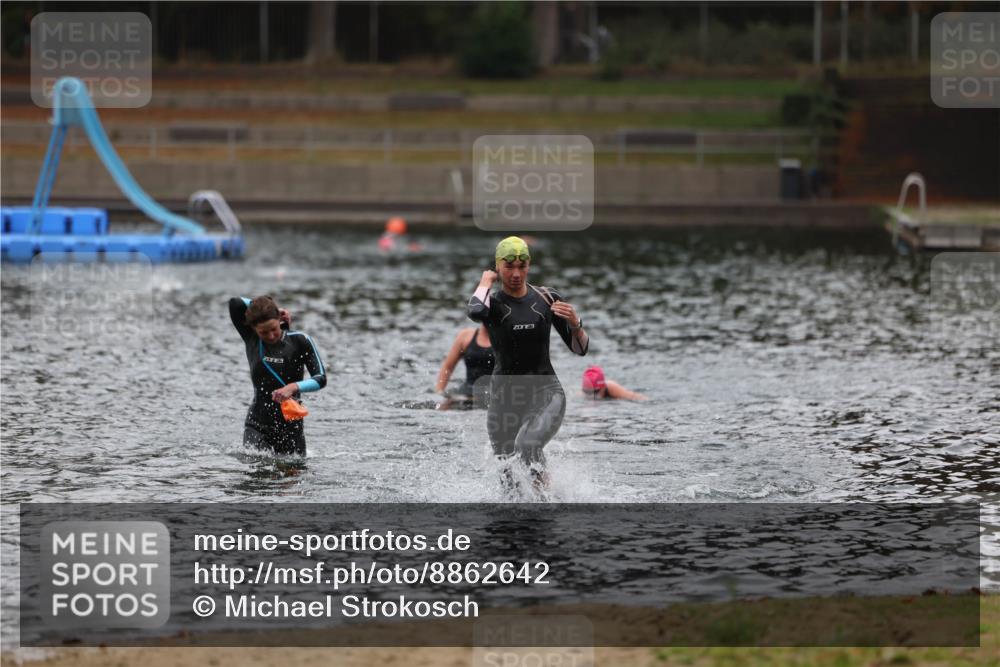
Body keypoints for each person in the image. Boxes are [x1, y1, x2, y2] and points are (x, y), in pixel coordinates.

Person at [467, 236, 589, 487]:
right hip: (504, 396)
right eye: (509, 266)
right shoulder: (492, 303)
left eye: (522, 266)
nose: (515, 273)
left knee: (529, 445)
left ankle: (549, 505)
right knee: (506, 474)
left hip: (546, 391)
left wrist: (576, 325)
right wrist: (485, 282)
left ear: (529, 265)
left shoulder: (547, 298)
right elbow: (475, 312)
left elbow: (580, 349)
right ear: (498, 266)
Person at [229, 295, 327, 455]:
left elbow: (321, 378)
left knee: (292, 476)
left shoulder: (300, 341)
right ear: (254, 329)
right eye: (264, 332)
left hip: (291, 426)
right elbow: (235, 302)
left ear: (278, 321)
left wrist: (293, 387)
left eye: (274, 329)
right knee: (257, 473)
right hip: (257, 425)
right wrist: (269, 308)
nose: (271, 336)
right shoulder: (251, 338)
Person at [434, 324, 495, 409]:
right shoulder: (465, 336)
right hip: (467, 391)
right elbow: (448, 366)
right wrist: (439, 392)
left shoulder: (508, 338)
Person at [582, 365, 648, 401]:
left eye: (595, 392)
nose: (591, 396)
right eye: (587, 392)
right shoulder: (585, 392)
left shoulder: (614, 389)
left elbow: (641, 398)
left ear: (603, 386)